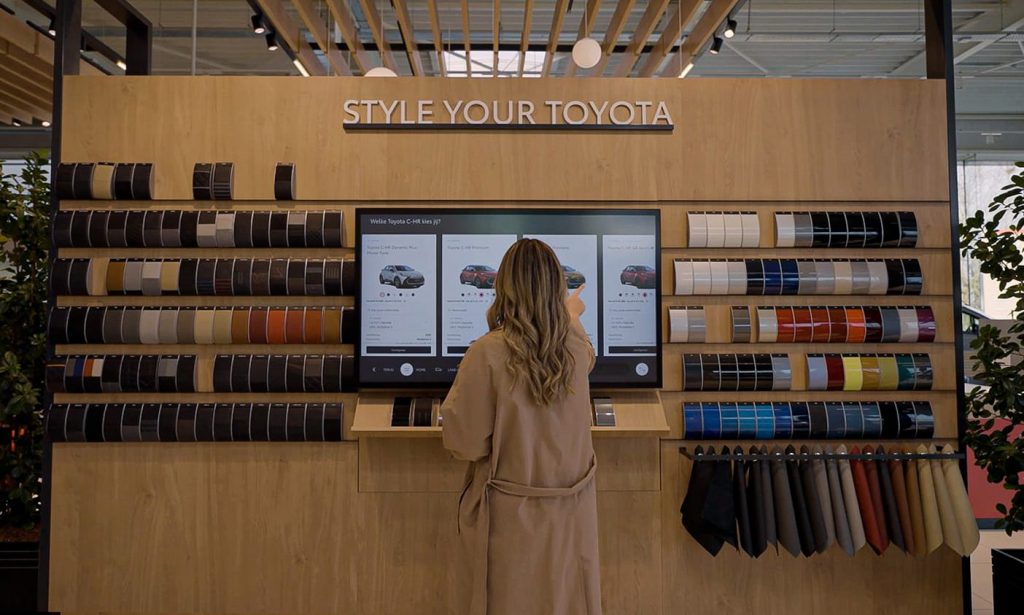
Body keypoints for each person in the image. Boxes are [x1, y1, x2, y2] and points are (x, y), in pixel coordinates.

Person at [442, 238, 600, 615]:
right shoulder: (576, 351)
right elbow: (588, 353)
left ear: (503, 287)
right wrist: (571, 317)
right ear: (557, 287)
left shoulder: (486, 352)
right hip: (572, 516)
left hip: (510, 524)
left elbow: (464, 442)